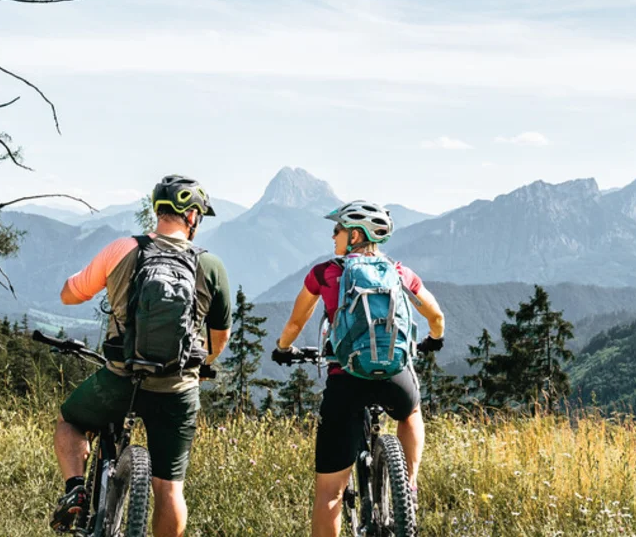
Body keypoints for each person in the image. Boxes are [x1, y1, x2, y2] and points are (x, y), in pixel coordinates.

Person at [50, 175, 232, 537]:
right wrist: (204, 365)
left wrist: (84, 278)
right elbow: (220, 336)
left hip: (120, 380)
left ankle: (75, 488)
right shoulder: (210, 266)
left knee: (68, 421)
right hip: (177, 391)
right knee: (169, 488)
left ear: (158, 210)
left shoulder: (122, 250)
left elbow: (69, 295)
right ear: (192, 216)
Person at [272, 200, 447, 537]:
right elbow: (436, 317)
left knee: (329, 494)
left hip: (345, 379)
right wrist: (434, 340)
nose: (333, 234)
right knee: (410, 413)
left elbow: (296, 322)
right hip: (394, 375)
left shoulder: (325, 273)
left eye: (337, 229)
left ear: (354, 234)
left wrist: (284, 349)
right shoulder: (399, 272)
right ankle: (407, 486)